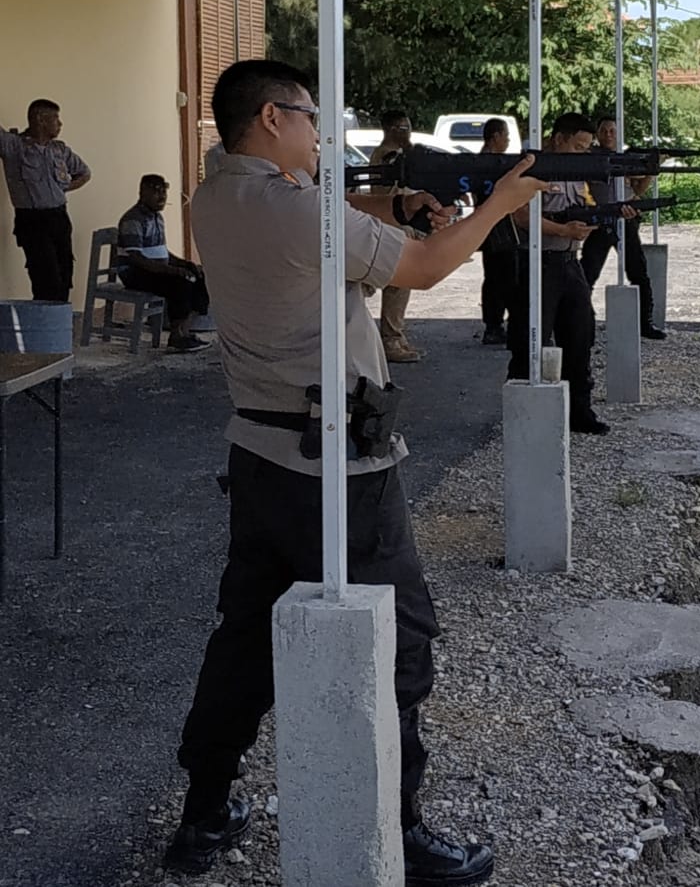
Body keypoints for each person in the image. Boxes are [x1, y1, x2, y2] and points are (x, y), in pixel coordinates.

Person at [164, 59, 546, 886]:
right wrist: (501, 205)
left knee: (243, 637)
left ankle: (203, 812)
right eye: (307, 117)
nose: (319, 132)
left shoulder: (216, 195)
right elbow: (423, 268)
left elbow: (326, 219)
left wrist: (395, 205)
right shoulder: (297, 211)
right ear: (270, 119)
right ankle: (401, 828)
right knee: (399, 640)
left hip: (261, 453)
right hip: (338, 463)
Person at [506, 112, 608, 435]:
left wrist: (592, 221)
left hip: (569, 261)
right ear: (559, 139)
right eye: (578, 147)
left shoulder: (577, 174)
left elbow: (588, 204)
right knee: (530, 339)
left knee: (580, 335)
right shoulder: (535, 169)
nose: (582, 154)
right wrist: (563, 227)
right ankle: (523, 416)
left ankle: (580, 412)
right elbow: (522, 215)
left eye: (586, 149)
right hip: (539, 261)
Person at [579, 115, 666, 340]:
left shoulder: (627, 157)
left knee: (638, 271)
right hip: (600, 218)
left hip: (625, 218)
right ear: (597, 134)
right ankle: (581, 320)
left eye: (613, 131)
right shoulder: (590, 157)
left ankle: (645, 323)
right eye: (605, 131)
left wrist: (649, 172)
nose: (609, 135)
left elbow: (639, 188)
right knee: (587, 272)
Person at [0, 99, 91, 302]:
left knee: (64, 272)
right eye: (55, 118)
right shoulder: (14, 146)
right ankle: (44, 327)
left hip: (59, 216)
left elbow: (84, 173)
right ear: (41, 119)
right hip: (32, 220)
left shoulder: (59, 149)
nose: (60, 124)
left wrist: (63, 190)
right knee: (45, 276)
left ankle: (59, 325)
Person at [116, 174, 212, 353]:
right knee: (180, 284)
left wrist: (184, 264)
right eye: (156, 191)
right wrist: (171, 271)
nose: (161, 196)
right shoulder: (133, 219)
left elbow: (162, 252)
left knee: (199, 277)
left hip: (156, 270)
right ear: (143, 192)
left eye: (164, 191)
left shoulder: (157, 218)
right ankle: (175, 336)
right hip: (135, 273)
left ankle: (185, 331)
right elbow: (136, 258)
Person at [370, 110, 421, 363]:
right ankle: (390, 338)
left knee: (400, 284)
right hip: (391, 223)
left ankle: (395, 335)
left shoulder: (397, 154)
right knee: (396, 284)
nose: (408, 131)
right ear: (392, 129)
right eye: (404, 127)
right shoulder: (387, 156)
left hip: (400, 222)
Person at [477, 118, 520, 345]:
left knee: (496, 276)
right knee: (502, 276)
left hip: (493, 223)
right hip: (496, 225)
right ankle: (494, 325)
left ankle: (495, 324)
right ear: (496, 137)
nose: (508, 141)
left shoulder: (482, 161)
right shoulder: (491, 164)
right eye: (506, 135)